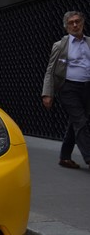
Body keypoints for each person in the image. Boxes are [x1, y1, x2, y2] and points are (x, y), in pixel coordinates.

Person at [42, 11, 90, 169]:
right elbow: (50, 70)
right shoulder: (60, 45)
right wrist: (47, 93)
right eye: (71, 23)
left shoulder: (89, 42)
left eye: (78, 21)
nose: (75, 25)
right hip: (68, 88)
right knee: (81, 122)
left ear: (83, 23)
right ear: (66, 27)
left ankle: (64, 157)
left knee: (75, 123)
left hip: (87, 88)